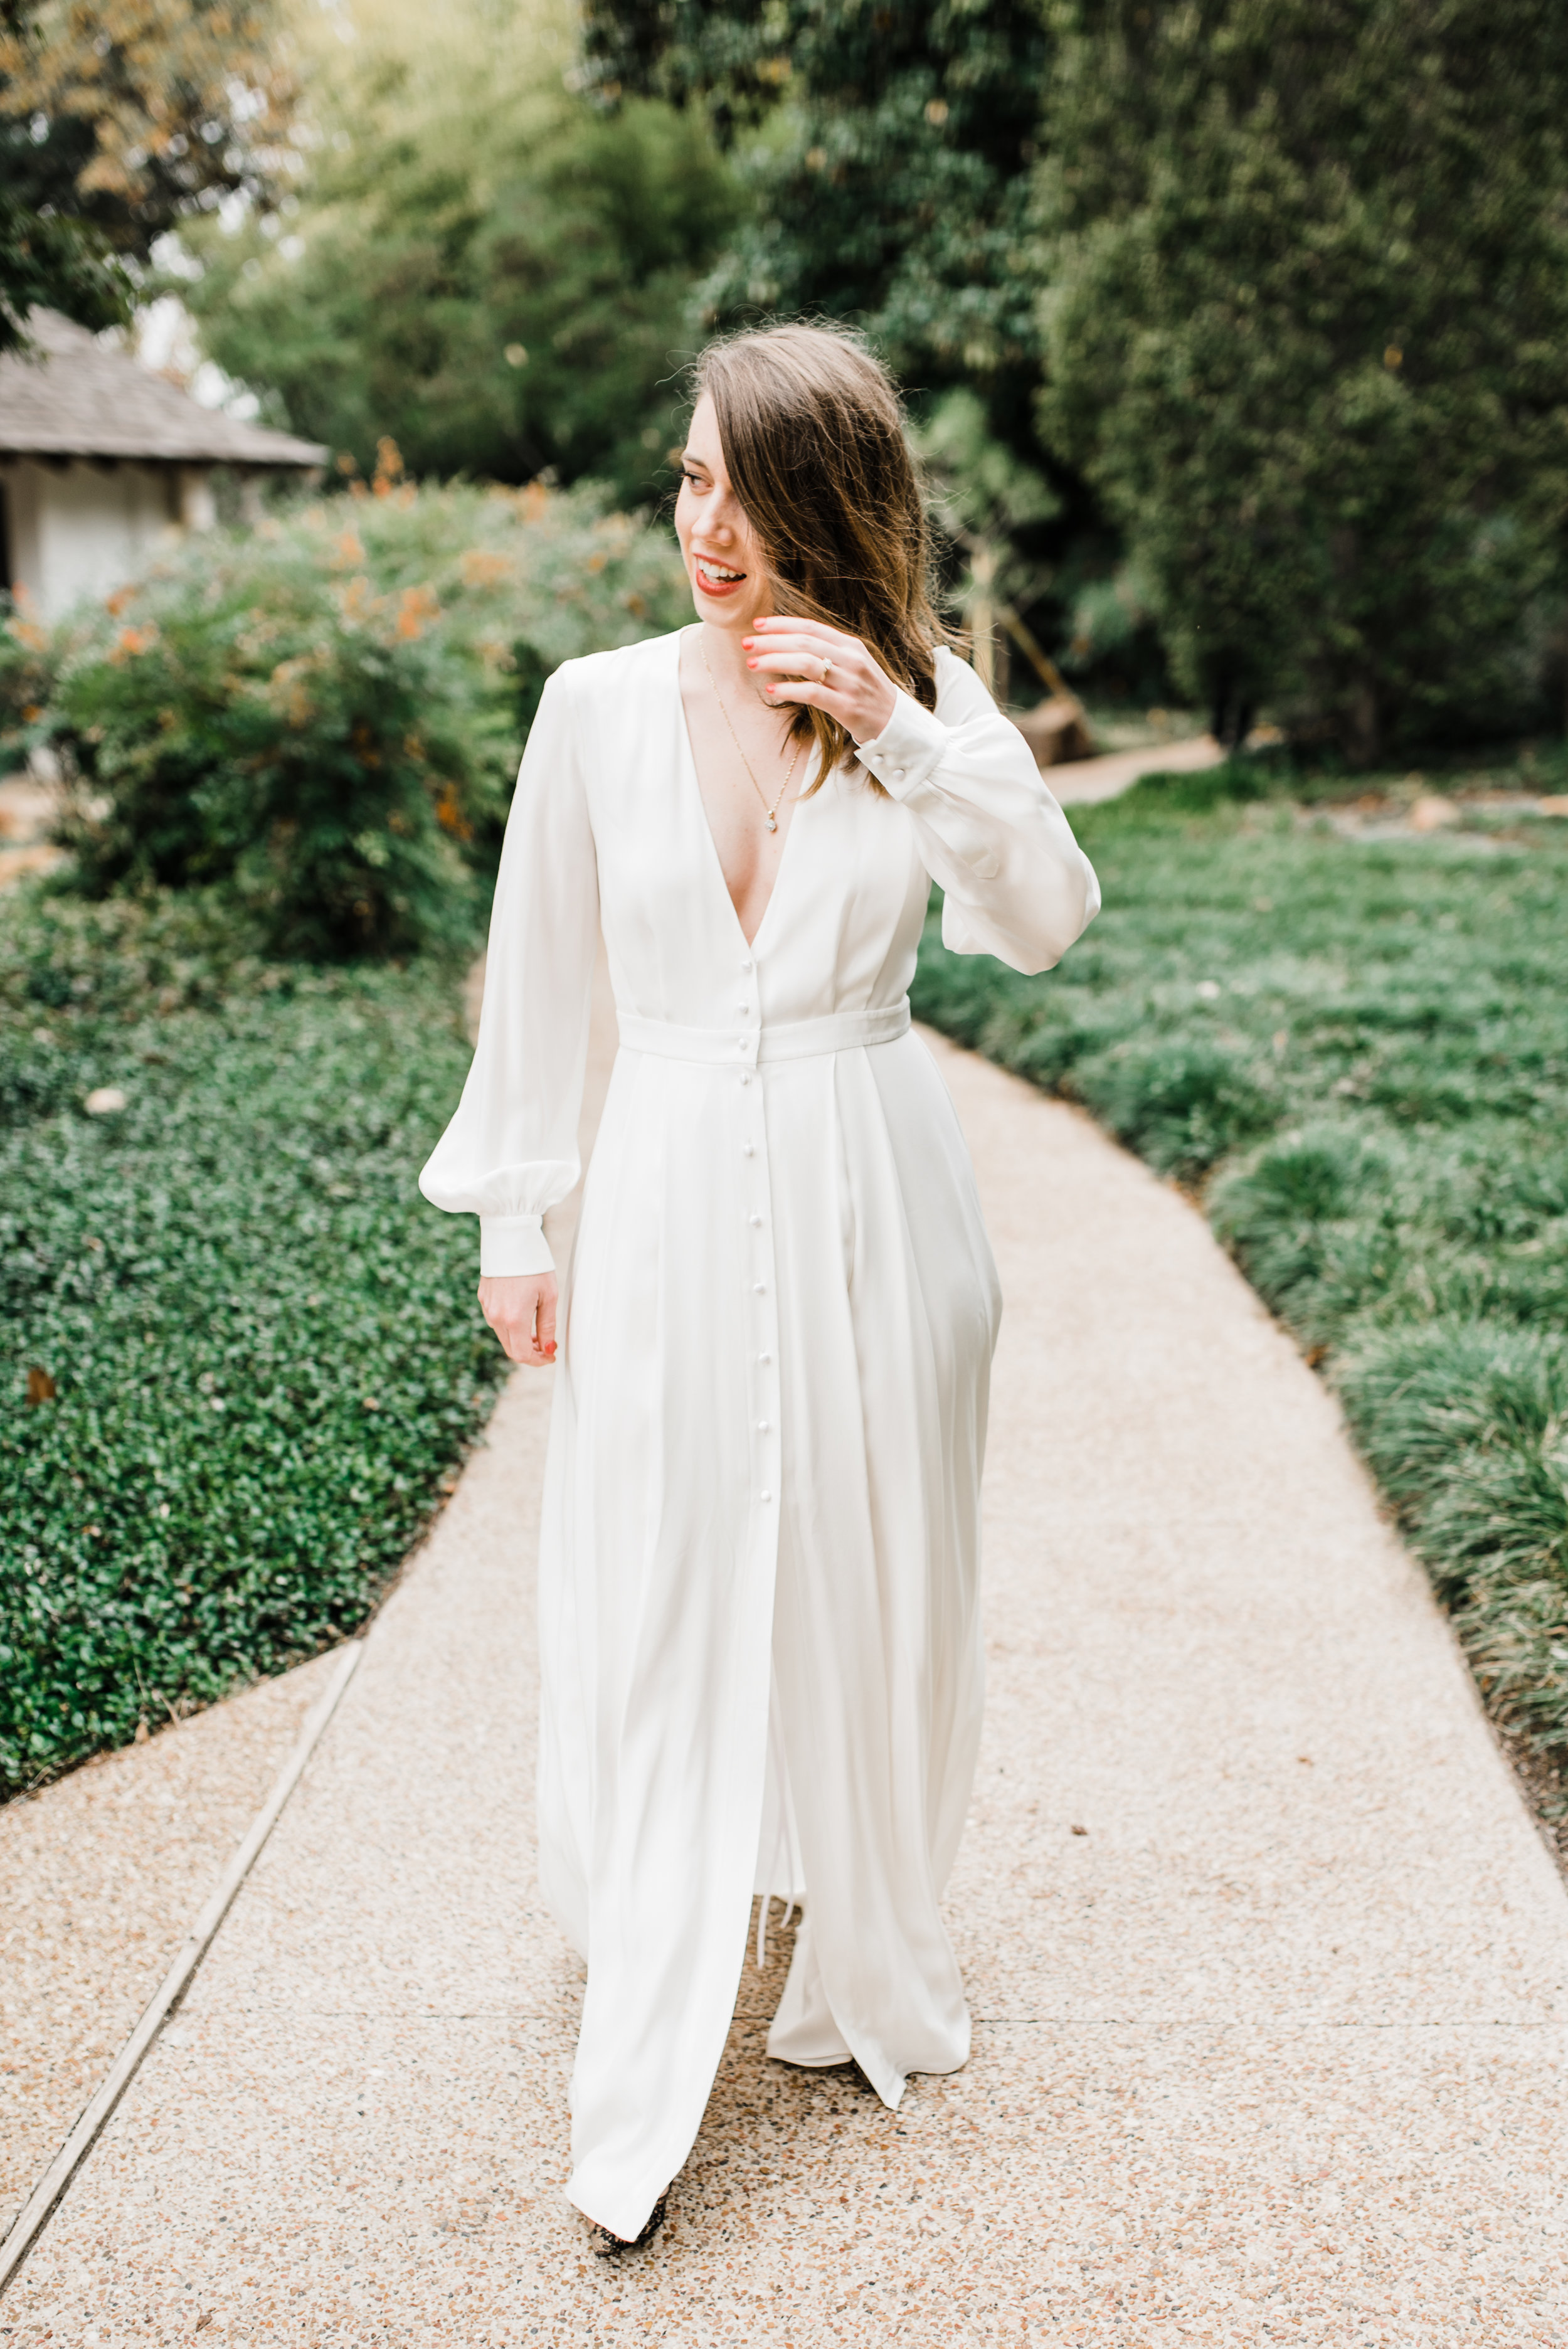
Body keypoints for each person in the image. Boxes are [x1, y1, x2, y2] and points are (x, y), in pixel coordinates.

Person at [419, 323, 1099, 2252]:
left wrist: (902, 726)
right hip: (658, 1187)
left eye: (743, 487)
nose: (703, 526)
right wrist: (516, 1215)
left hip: (877, 1185)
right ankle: (649, 1991)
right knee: (658, 1570)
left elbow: (1042, 921)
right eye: (688, 479)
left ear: (831, 501)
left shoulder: (925, 699)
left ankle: (866, 1939)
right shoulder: (596, 707)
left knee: (880, 1572)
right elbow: (539, 971)